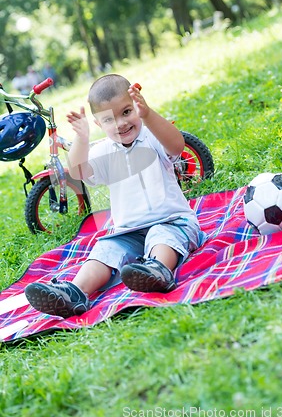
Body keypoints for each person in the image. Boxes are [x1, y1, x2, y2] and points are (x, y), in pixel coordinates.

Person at [25, 74, 206, 318]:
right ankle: (74, 293)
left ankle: (159, 270)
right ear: (99, 124)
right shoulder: (102, 152)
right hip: (127, 231)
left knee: (161, 236)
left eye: (126, 112)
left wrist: (148, 114)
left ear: (137, 106)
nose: (120, 123)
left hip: (171, 220)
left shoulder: (152, 136)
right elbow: (78, 172)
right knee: (105, 250)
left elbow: (176, 145)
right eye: (109, 119)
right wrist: (82, 138)